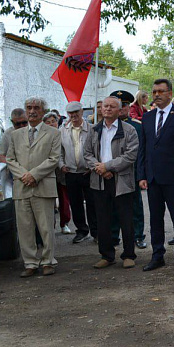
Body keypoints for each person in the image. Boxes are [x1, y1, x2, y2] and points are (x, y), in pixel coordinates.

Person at [138, 78, 174, 272]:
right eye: (154, 92)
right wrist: (142, 175)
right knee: (155, 219)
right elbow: (143, 149)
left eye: (160, 91)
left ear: (170, 93)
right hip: (153, 178)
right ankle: (157, 255)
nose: (156, 95)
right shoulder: (147, 117)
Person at [6, 97, 62, 277]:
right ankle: (30, 263)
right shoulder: (15, 135)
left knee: (46, 228)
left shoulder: (53, 133)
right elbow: (10, 159)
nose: (32, 111)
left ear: (43, 111)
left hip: (43, 185)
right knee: (25, 228)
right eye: (29, 108)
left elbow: (54, 159)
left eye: (36, 108)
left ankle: (47, 262)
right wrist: (24, 175)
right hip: (22, 187)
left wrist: (34, 175)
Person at [83, 96, 139, 269]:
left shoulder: (129, 130)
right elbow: (86, 154)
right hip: (99, 181)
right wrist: (99, 169)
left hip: (121, 180)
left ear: (120, 110)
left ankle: (129, 255)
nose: (107, 109)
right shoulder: (94, 130)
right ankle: (106, 255)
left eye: (112, 106)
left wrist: (108, 167)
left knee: (126, 219)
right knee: (103, 220)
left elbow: (130, 155)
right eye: (105, 106)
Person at [108, 91, 146, 249]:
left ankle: (138, 235)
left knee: (135, 205)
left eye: (124, 105)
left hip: (132, 172)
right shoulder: (107, 127)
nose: (122, 109)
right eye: (119, 105)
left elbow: (142, 152)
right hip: (112, 172)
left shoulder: (137, 126)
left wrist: (141, 174)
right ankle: (114, 235)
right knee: (113, 206)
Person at [60, 101, 97, 244]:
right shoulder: (62, 130)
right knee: (75, 204)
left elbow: (96, 150)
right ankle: (81, 231)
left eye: (76, 112)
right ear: (67, 114)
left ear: (82, 112)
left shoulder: (92, 129)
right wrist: (61, 165)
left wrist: (92, 166)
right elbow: (59, 151)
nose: (74, 115)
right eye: (71, 113)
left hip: (88, 172)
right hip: (71, 173)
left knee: (93, 203)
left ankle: (96, 231)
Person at [43, 112, 72, 235]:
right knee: (48, 201)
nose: (51, 124)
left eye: (53, 121)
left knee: (64, 199)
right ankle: (50, 225)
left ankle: (64, 223)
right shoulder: (42, 136)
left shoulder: (63, 133)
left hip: (61, 171)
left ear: (57, 121)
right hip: (47, 172)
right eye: (48, 122)